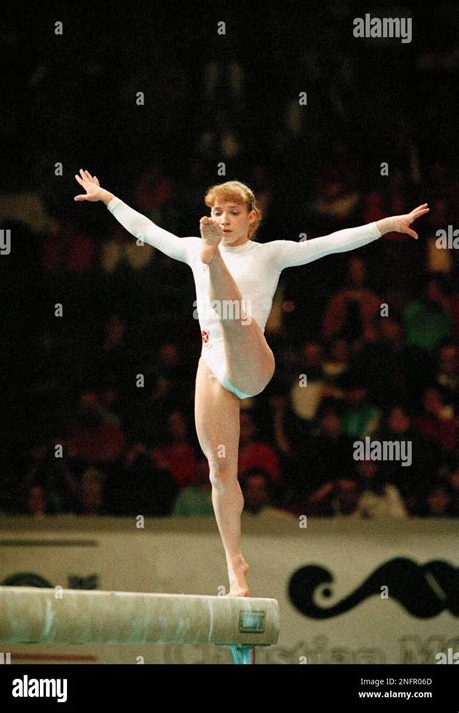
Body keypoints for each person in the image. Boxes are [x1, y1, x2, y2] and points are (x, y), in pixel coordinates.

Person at [74, 168, 429, 596]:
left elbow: (331, 243)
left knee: (235, 316)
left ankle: (217, 266)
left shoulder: (270, 254)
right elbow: (146, 230)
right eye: (216, 212)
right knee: (221, 472)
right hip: (214, 368)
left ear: (251, 218)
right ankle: (234, 567)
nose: (222, 218)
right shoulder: (190, 249)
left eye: (232, 212)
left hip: (251, 360)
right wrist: (107, 197)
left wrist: (387, 225)